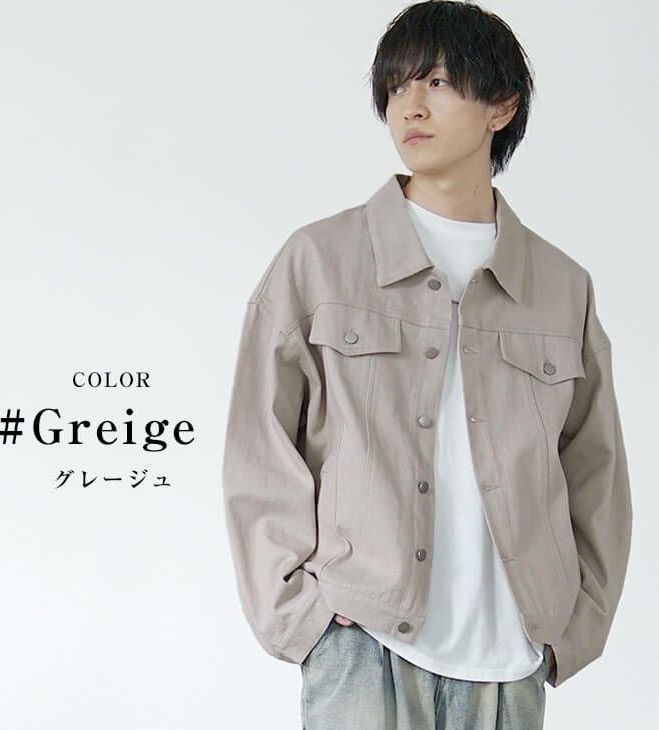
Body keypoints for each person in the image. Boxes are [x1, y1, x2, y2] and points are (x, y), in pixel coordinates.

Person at [221, 1, 633, 727]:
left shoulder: (561, 287)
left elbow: (596, 470)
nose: (409, 105)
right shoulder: (319, 261)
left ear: (501, 106)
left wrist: (575, 628)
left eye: (437, 82)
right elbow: (260, 446)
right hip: (362, 642)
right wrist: (299, 616)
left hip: (511, 662)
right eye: (397, 86)